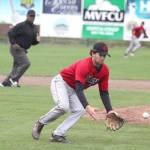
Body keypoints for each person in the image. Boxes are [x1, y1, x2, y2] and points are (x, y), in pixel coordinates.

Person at [32, 42, 117, 143]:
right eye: (100, 54)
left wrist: (109, 110)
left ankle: (58, 134)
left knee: (79, 110)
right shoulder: (84, 65)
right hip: (61, 82)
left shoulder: (105, 71)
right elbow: (79, 88)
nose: (103, 57)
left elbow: (103, 92)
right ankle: (40, 122)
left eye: (105, 55)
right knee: (63, 107)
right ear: (93, 53)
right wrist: (87, 106)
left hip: (74, 88)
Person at [0, 10, 40, 87]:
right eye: (30, 16)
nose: (32, 17)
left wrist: (37, 40)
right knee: (26, 63)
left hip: (23, 50)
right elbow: (10, 33)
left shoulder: (34, 28)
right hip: (16, 48)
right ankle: (13, 79)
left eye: (33, 16)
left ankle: (5, 83)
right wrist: (13, 43)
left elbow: (33, 42)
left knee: (16, 67)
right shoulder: (21, 25)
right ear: (27, 16)